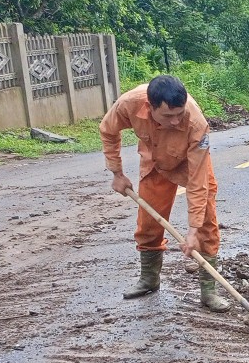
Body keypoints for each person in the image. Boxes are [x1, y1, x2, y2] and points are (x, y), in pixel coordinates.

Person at [99, 74, 231, 312]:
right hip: (156, 163)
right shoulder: (129, 104)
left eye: (179, 114)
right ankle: (149, 279)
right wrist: (117, 173)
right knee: (148, 223)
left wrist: (192, 230)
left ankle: (208, 292)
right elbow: (108, 131)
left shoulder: (196, 123)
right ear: (150, 107)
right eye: (168, 116)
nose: (175, 121)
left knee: (206, 225)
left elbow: (198, 181)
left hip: (191, 164)